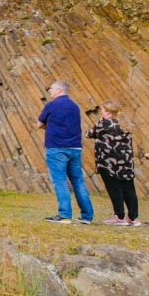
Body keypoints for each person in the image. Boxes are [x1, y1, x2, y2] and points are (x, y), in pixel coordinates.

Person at [36, 80, 94, 224]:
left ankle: (64, 215)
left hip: (57, 148)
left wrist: (50, 128)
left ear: (60, 90)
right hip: (75, 148)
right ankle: (87, 217)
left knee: (60, 181)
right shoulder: (75, 106)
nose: (49, 91)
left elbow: (39, 124)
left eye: (52, 89)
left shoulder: (52, 105)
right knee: (78, 181)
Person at [85, 100, 139, 226]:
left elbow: (88, 134)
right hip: (126, 162)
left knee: (114, 189)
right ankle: (133, 217)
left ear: (108, 113)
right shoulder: (125, 124)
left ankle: (119, 216)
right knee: (129, 189)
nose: (101, 113)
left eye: (102, 110)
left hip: (108, 163)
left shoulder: (104, 124)